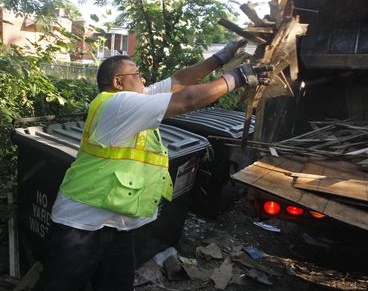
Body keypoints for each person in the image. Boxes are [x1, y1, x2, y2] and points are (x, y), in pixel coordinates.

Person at [34, 39, 261, 291]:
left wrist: (222, 56)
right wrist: (236, 77)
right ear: (118, 82)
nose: (143, 80)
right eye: (137, 74)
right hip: (82, 226)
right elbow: (187, 99)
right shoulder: (117, 104)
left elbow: (179, 81)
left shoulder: (133, 100)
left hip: (118, 224)